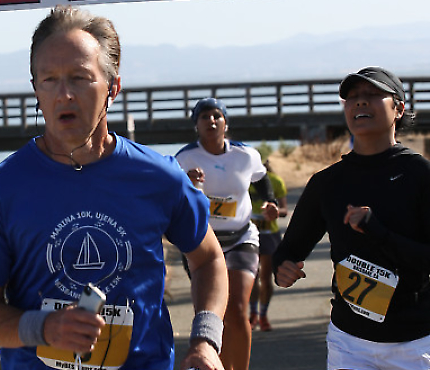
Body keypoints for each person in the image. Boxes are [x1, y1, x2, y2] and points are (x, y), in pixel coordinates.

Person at [0, 5, 228, 370]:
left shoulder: (158, 176)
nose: (64, 94)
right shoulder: (2, 189)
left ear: (113, 88)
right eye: (49, 79)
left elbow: (209, 259)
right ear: (35, 89)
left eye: (79, 78)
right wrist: (45, 328)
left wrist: (206, 340)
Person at [273, 66, 430, 370]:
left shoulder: (419, 175)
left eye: (372, 94)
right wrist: (282, 267)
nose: (360, 101)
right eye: (352, 97)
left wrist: (377, 232)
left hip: (415, 343)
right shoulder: (327, 182)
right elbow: (289, 249)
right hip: (349, 342)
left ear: (398, 109)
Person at [176, 98, 279, 370]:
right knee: (212, 314)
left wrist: (270, 202)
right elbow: (172, 199)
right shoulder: (184, 158)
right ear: (196, 125)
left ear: (226, 123)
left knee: (237, 310)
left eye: (216, 116)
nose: (211, 121)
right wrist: (188, 183)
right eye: (204, 117)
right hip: (203, 243)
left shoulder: (245, 155)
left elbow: (261, 179)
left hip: (241, 238)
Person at [248, 160, 288, 331]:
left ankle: (263, 315)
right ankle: (253, 314)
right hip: (247, 234)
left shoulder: (276, 181)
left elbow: (284, 209)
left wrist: (274, 212)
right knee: (251, 277)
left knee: (265, 277)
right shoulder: (243, 178)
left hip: (269, 234)